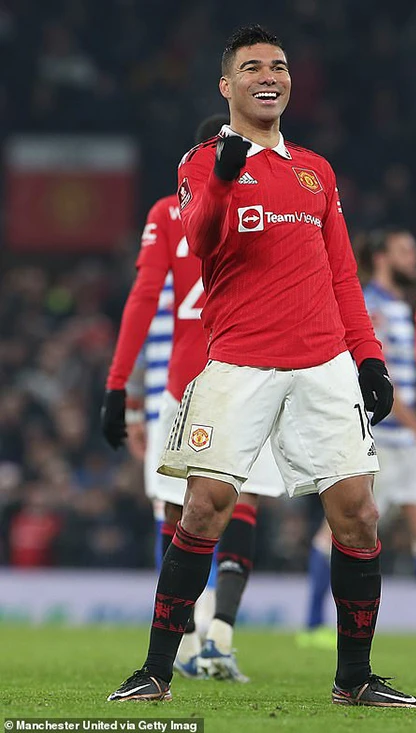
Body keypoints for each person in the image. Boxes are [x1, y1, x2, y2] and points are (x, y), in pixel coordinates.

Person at [106, 24, 416, 708]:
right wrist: (223, 179)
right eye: (252, 67)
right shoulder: (200, 164)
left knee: (359, 515)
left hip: (323, 362)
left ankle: (355, 678)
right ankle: (156, 669)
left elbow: (342, 272)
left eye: (278, 65)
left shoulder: (316, 169)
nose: (268, 75)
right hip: (239, 361)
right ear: (227, 85)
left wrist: (367, 357)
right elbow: (201, 239)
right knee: (204, 506)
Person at [102, 113, 291, 684]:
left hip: (185, 380)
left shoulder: (168, 212)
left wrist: (118, 387)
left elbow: (142, 299)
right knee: (245, 501)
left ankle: (185, 639)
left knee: (177, 509)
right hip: (254, 372)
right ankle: (220, 637)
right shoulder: (275, 203)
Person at [301, 228, 416, 645]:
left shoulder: (397, 306)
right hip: (383, 435)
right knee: (340, 527)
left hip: (402, 441)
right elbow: (379, 377)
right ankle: (314, 623)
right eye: (405, 250)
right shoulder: (374, 309)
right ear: (381, 257)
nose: (415, 257)